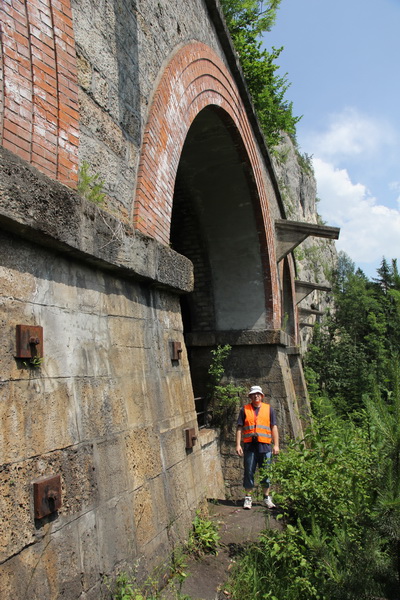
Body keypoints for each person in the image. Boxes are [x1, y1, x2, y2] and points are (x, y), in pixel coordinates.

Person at [236, 385, 280, 509]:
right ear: (250, 396)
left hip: (265, 446)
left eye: (258, 394)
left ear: (262, 396)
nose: (256, 396)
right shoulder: (244, 410)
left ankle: (266, 498)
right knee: (249, 471)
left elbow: (274, 427)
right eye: (254, 394)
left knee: (266, 472)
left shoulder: (269, 409)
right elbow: (239, 427)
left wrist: (276, 445)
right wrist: (238, 444)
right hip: (250, 446)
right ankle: (248, 498)